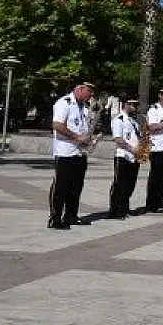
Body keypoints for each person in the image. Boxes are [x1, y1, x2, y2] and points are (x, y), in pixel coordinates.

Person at [49, 82, 95, 229]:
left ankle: (71, 216)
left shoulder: (84, 108)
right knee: (61, 186)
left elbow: (83, 127)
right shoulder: (64, 103)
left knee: (76, 187)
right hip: (66, 152)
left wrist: (88, 139)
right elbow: (57, 125)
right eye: (89, 92)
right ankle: (55, 218)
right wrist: (76, 137)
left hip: (80, 153)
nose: (91, 95)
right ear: (80, 89)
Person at [108, 98, 140, 219]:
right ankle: (114, 210)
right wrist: (132, 149)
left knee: (130, 184)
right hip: (123, 155)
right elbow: (118, 139)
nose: (136, 108)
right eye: (134, 105)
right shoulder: (118, 119)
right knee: (119, 184)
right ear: (126, 104)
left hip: (134, 157)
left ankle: (124, 208)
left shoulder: (133, 121)